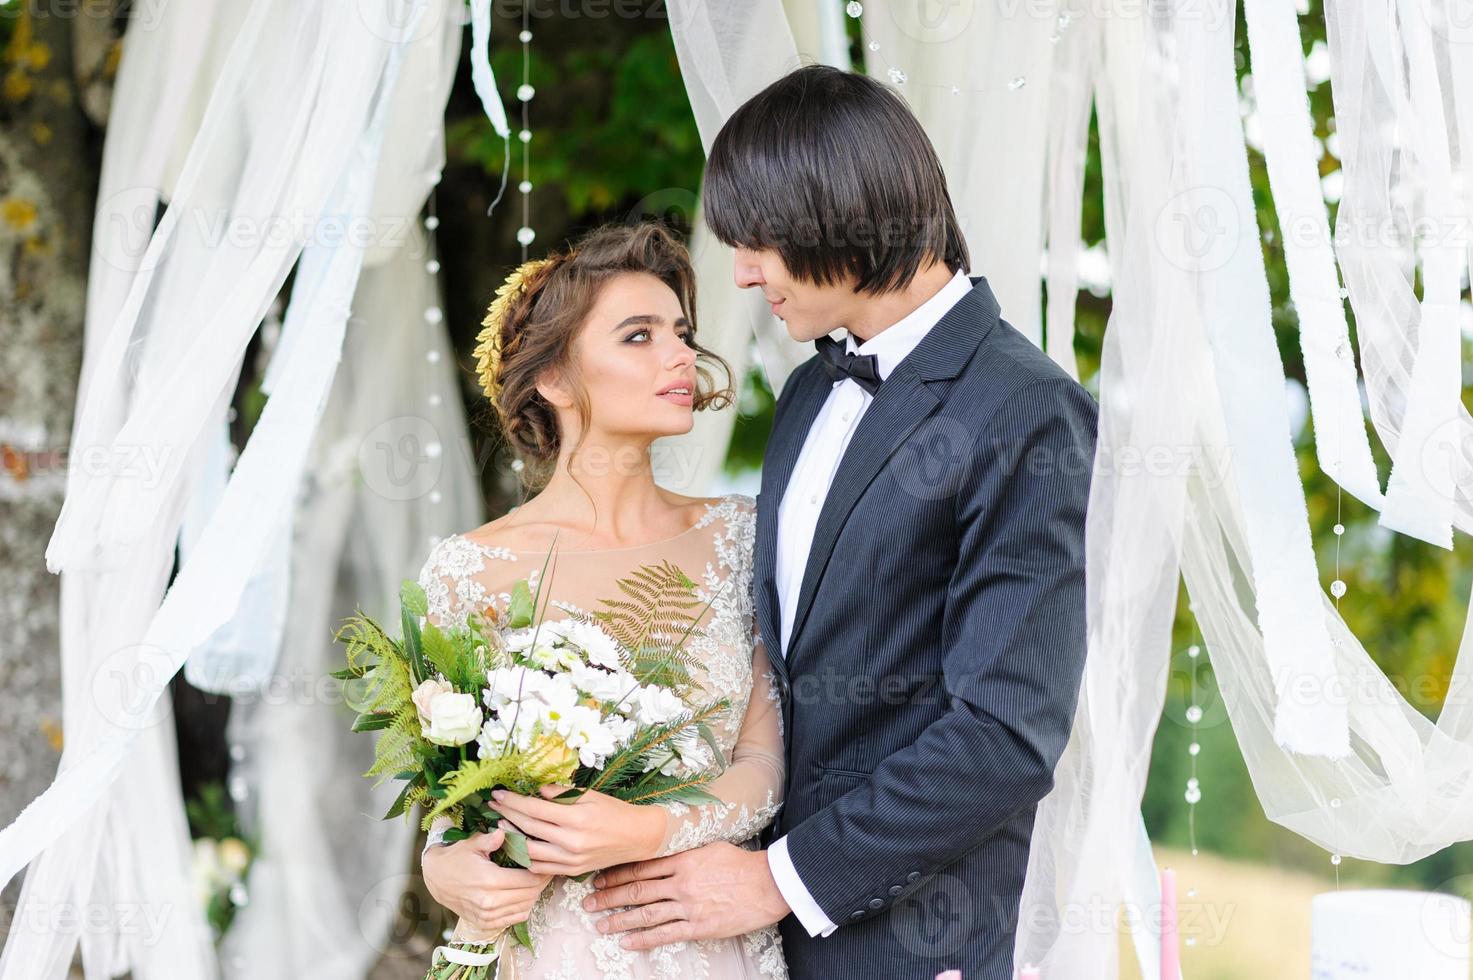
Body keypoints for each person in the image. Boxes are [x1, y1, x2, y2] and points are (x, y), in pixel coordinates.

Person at [580, 65, 1098, 980]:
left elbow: (1005, 732)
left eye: (760, 242)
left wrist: (782, 879)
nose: (741, 274)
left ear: (837, 212)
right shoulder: (811, 389)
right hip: (739, 941)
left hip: (905, 941)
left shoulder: (1025, 408)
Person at [416, 221, 789, 978]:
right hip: (552, 951)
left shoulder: (743, 537)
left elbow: (763, 759)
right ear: (554, 378)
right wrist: (441, 865)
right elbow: (451, 794)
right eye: (639, 336)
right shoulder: (468, 570)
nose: (681, 354)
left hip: (706, 942)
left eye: (681, 332)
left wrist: (648, 828)